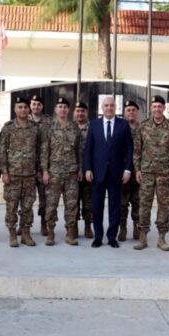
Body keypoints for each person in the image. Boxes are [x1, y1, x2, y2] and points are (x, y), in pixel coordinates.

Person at [133, 95, 169, 251]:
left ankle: (162, 238)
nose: (157, 109)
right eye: (154, 106)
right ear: (151, 108)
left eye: (159, 106)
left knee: (163, 206)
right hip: (146, 173)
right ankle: (143, 237)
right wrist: (137, 169)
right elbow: (137, 151)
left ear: (164, 108)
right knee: (144, 205)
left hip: (164, 174)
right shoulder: (143, 126)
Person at [84, 95, 133, 248]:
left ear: (115, 107)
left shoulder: (123, 125)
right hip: (97, 172)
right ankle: (98, 236)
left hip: (116, 173)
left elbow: (129, 149)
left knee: (115, 207)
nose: (109, 108)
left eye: (112, 105)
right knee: (97, 206)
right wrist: (87, 168)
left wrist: (128, 170)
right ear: (102, 108)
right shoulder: (94, 125)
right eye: (106, 106)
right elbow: (88, 149)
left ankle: (112, 237)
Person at [0, 96, 41, 247]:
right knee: (12, 205)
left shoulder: (35, 128)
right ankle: (12, 234)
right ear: (15, 109)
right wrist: (4, 171)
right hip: (13, 174)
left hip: (30, 174)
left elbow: (40, 150)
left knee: (28, 206)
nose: (23, 110)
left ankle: (25, 233)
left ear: (29, 109)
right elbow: (2, 150)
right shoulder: (8, 127)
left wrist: (39, 170)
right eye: (20, 107)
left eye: (25, 107)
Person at [41, 97, 81, 246]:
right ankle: (50, 233)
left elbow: (79, 150)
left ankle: (70, 233)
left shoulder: (74, 127)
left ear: (68, 110)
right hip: (54, 173)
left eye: (65, 107)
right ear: (55, 109)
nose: (62, 109)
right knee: (51, 205)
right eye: (60, 107)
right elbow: (44, 151)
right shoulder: (49, 128)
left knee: (71, 205)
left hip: (71, 173)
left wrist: (80, 168)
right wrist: (45, 171)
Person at [29, 94, 53, 236]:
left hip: (45, 166)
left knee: (45, 197)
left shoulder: (49, 121)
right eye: (34, 104)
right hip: (28, 167)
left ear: (42, 106)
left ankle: (44, 224)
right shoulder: (24, 119)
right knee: (26, 198)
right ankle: (25, 224)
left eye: (38, 104)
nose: (36, 106)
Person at [119, 99, 141, 242]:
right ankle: (122, 228)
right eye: (128, 110)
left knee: (137, 201)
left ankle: (137, 227)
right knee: (122, 202)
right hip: (122, 171)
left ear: (137, 112)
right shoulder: (119, 127)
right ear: (124, 112)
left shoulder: (143, 128)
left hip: (139, 171)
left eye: (133, 110)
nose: (131, 112)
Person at [74, 101, 93, 238]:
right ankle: (73, 226)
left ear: (87, 112)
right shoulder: (69, 128)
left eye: (83, 111)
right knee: (73, 200)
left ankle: (88, 226)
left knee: (89, 201)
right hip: (72, 170)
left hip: (89, 170)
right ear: (74, 112)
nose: (80, 113)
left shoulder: (93, 127)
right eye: (78, 111)